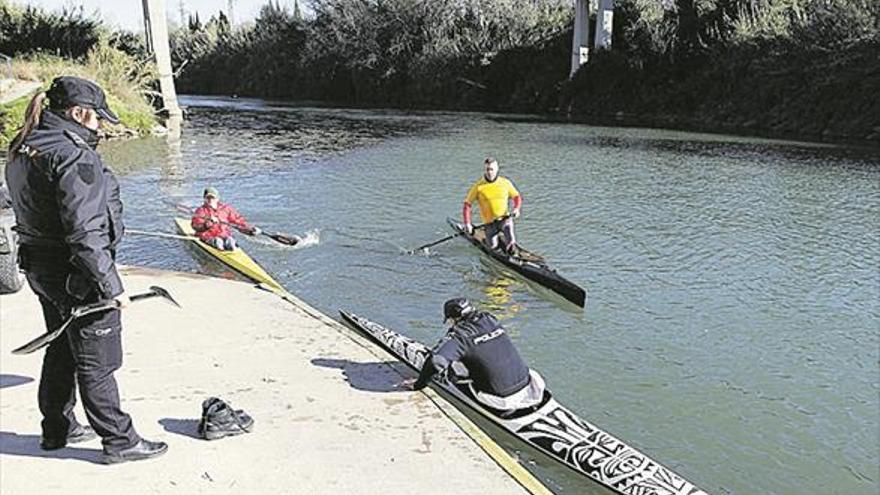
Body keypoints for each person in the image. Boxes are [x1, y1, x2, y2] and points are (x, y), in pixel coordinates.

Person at [4, 76, 167, 463]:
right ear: (79, 113)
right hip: (77, 273)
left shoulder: (25, 144)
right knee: (98, 359)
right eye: (98, 119)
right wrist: (111, 285)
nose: (102, 127)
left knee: (60, 347)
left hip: (40, 268)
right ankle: (119, 440)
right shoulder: (74, 155)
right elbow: (85, 230)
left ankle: (56, 429)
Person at [407, 298, 545, 416]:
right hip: (531, 386)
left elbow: (436, 361)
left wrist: (418, 385)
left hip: (501, 400)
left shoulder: (460, 335)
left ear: (454, 319)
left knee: (452, 368)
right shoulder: (490, 319)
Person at [463, 157, 522, 254]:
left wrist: (516, 209)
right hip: (489, 224)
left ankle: (511, 248)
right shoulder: (478, 187)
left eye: (492, 169)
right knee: (493, 249)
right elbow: (467, 205)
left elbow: (517, 197)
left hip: (505, 220)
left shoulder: (505, 183)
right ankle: (491, 243)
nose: (490, 172)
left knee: (511, 244)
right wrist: (467, 223)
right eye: (487, 169)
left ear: (497, 169)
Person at [191, 187, 259, 251]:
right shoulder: (200, 211)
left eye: (213, 198)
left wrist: (251, 229)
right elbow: (196, 227)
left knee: (231, 241)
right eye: (208, 198)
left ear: (217, 198)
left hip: (224, 236)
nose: (210, 200)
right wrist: (208, 224)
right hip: (208, 237)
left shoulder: (226, 209)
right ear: (204, 198)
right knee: (218, 241)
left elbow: (239, 221)